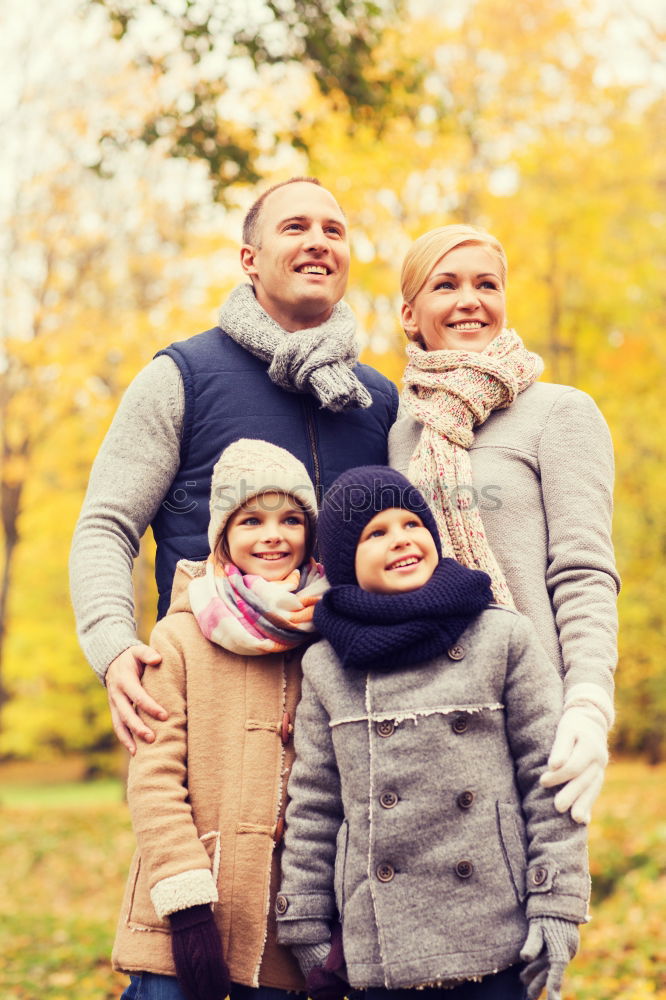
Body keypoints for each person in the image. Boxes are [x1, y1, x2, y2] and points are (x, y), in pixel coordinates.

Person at [69, 177, 398, 754]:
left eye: (333, 230)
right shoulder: (181, 378)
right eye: (294, 227)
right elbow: (106, 525)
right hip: (214, 698)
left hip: (354, 704)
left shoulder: (378, 398)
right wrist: (113, 646)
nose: (319, 241)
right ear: (249, 259)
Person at [275, 466, 590, 1000]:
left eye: (411, 524)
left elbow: (548, 778)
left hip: (499, 933)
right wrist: (303, 920)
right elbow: (314, 804)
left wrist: (557, 905)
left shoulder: (502, 636)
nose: (400, 539)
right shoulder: (328, 665)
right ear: (345, 559)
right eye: (375, 533)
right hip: (380, 946)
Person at [388, 224, 619, 825]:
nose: (470, 299)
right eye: (447, 284)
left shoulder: (561, 413)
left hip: (529, 715)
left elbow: (583, 570)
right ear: (410, 314)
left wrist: (589, 704)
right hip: (418, 715)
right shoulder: (400, 433)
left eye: (486, 284)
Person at [113, 438, 329, 1000]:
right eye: (251, 519)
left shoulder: (327, 640)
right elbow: (154, 776)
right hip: (178, 919)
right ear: (224, 537)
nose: (272, 535)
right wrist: (186, 908)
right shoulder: (178, 636)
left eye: (289, 519)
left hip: (284, 935)